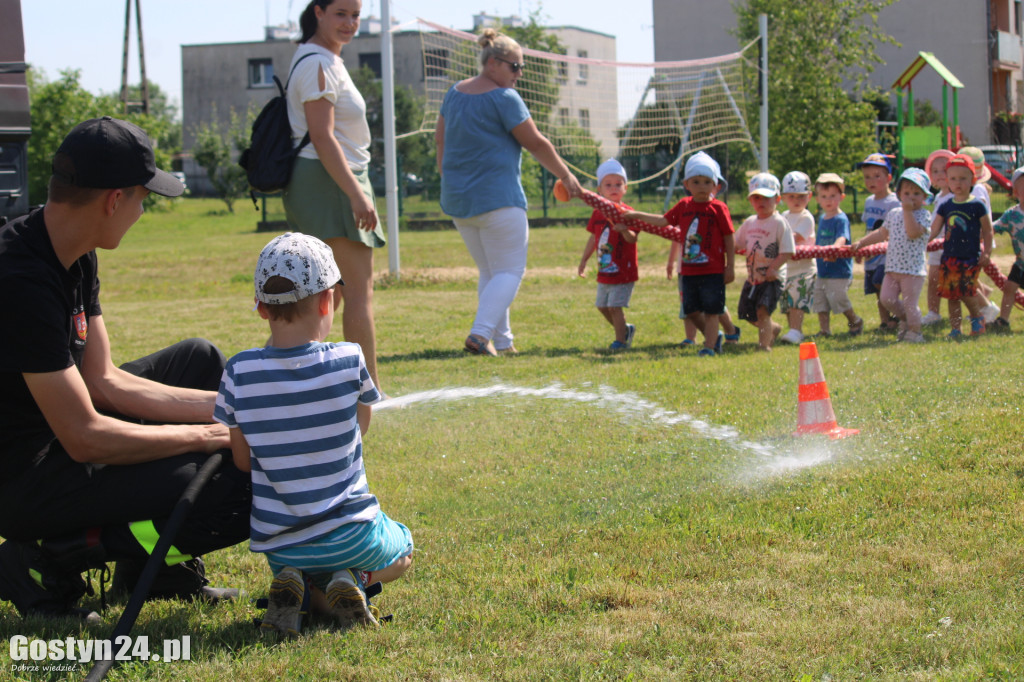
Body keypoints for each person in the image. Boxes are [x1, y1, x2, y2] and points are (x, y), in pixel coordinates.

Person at [0, 117, 251, 623]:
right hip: (25, 479)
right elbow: (86, 437)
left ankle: (156, 572)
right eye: (143, 198)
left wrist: (239, 406)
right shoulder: (19, 280)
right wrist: (207, 435)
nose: (141, 211)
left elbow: (104, 382)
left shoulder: (73, 250)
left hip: (62, 434)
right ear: (114, 200)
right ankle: (40, 557)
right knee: (237, 482)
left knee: (200, 360)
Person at [214, 232, 412, 637]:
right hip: (353, 535)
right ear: (329, 301)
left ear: (260, 309)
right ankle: (351, 581)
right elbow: (361, 427)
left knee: (300, 562)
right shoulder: (350, 358)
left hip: (282, 544)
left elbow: (240, 460)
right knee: (404, 551)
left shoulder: (239, 372)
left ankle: (300, 588)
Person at [436, 28, 583, 356]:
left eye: (521, 67)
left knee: (491, 271)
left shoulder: (454, 93)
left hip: (459, 204)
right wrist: (566, 175)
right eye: (514, 67)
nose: (519, 74)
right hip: (499, 201)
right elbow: (536, 143)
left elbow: (440, 142)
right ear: (492, 64)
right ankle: (480, 334)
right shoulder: (504, 98)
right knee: (510, 270)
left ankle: (503, 342)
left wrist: (450, 178)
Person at [283, 0, 385, 392]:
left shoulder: (324, 59)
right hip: (330, 181)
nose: (350, 23)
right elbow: (323, 138)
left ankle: (274, 378)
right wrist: (357, 195)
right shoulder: (317, 63)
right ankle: (369, 391)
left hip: (329, 180)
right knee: (358, 291)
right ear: (319, 11)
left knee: (326, 295)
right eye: (341, 13)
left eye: (356, 15)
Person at [625, 151, 736, 356]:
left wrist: (730, 267)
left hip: (713, 271)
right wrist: (637, 215)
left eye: (707, 181)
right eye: (696, 181)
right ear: (686, 184)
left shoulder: (719, 209)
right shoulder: (684, 206)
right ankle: (715, 337)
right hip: (689, 271)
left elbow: (729, 237)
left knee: (712, 311)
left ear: (715, 185)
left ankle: (709, 347)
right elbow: (662, 221)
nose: (702, 186)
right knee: (691, 310)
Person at [851, 168, 933, 343]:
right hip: (892, 267)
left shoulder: (924, 216)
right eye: (907, 192)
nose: (911, 197)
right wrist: (861, 243)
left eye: (916, 193)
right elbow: (881, 233)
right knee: (886, 299)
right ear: (899, 194)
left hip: (912, 271)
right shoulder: (894, 214)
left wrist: (908, 211)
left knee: (911, 304)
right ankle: (906, 320)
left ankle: (915, 332)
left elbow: (912, 233)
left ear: (925, 197)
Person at [927, 154, 994, 338]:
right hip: (949, 257)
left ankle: (977, 317)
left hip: (970, 257)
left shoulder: (977, 205)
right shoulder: (945, 205)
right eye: (953, 179)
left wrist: (987, 252)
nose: (958, 183)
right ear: (948, 180)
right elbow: (934, 229)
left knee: (967, 292)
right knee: (951, 295)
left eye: (963, 178)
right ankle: (956, 329)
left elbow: (988, 231)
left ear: (972, 180)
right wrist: (923, 241)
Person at [577, 159, 639, 350]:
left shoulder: (628, 213)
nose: (614, 188)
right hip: (605, 269)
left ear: (625, 188)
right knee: (602, 307)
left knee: (614, 307)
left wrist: (624, 230)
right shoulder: (597, 213)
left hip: (623, 270)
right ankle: (625, 330)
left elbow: (633, 239)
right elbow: (593, 239)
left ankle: (621, 342)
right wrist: (584, 260)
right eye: (608, 185)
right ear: (599, 190)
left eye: (618, 184)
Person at [734, 172, 793, 351]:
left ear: (777, 199)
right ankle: (772, 328)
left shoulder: (779, 223)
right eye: (757, 197)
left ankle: (763, 346)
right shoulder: (749, 223)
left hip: (771, 279)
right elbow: (737, 243)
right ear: (750, 200)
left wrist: (774, 268)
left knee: (763, 311)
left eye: (767, 198)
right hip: (753, 278)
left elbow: (788, 251)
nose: (762, 202)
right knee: (746, 312)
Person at [811, 173, 864, 337]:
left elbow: (843, 236)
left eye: (833, 196)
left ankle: (854, 320)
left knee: (839, 299)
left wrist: (835, 247)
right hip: (823, 269)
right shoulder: (822, 218)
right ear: (817, 199)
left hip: (838, 270)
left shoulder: (841, 219)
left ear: (841, 197)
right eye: (824, 196)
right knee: (821, 300)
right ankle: (824, 330)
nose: (828, 200)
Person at [857, 153, 901, 332]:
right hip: (871, 256)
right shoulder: (868, 202)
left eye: (877, 176)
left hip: (887, 255)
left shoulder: (894, 202)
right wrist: (863, 249)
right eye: (867, 177)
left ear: (888, 178)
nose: (871, 181)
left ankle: (898, 316)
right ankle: (885, 321)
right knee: (877, 290)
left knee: (881, 284)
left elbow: (892, 230)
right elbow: (868, 228)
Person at [778, 171, 816, 344]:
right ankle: (794, 330)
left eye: (801, 196)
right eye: (792, 196)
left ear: (809, 196)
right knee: (787, 301)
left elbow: (796, 238)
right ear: (784, 197)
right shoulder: (783, 216)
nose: (796, 200)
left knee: (797, 300)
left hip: (803, 268)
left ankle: (796, 330)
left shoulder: (806, 217)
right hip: (786, 268)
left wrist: (776, 241)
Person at [921, 149, 955, 326]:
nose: (940, 174)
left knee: (956, 281)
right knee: (933, 278)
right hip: (936, 246)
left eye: (945, 169)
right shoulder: (938, 197)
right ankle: (933, 312)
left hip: (949, 245)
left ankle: (983, 303)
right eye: (935, 171)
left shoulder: (954, 197)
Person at [988, 166, 1024, 331]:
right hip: (1021, 263)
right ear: (1016, 193)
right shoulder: (1011, 215)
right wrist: (983, 234)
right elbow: (994, 227)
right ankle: (1003, 320)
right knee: (1010, 287)